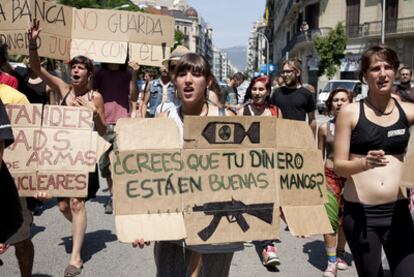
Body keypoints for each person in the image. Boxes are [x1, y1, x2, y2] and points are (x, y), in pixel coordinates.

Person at [133, 53, 240, 277]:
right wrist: (140, 222)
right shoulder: (164, 118)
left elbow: (246, 173)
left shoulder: (226, 119)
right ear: (175, 81)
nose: (188, 80)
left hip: (216, 221)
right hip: (171, 220)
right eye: (182, 74)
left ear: (208, 80)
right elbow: (148, 175)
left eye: (196, 74)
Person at [28, 19, 106, 277]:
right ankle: (79, 229)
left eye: (81, 68)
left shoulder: (95, 97)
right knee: (63, 207)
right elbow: (37, 68)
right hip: (61, 156)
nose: (75, 71)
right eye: (73, 67)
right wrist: (33, 43)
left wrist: (93, 115)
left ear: (88, 73)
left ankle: (76, 257)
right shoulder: (62, 89)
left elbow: (103, 131)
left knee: (76, 203)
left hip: (83, 156)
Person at [334, 45, 414, 277]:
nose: (382, 73)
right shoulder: (349, 112)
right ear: (364, 76)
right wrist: (363, 164)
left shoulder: (408, 111)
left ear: (396, 72)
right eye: (375, 68)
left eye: (388, 67)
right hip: (361, 215)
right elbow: (339, 165)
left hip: (398, 212)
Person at [238, 75, 280, 269]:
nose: (257, 93)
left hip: (268, 166)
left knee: (268, 205)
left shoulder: (275, 111)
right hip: (246, 166)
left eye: (261, 89)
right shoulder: (242, 111)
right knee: (249, 201)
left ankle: (268, 246)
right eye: (254, 89)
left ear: (267, 91)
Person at [93, 60, 139, 214]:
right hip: (102, 124)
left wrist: (134, 74)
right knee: (104, 164)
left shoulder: (127, 74)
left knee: (121, 164)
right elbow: (91, 92)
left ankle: (118, 197)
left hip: (122, 124)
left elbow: (133, 96)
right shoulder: (99, 73)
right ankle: (113, 194)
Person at [317, 88, 353, 277]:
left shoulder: (357, 127)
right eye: (335, 100)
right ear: (330, 104)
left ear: (350, 102)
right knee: (329, 219)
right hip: (329, 177)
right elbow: (318, 154)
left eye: (343, 100)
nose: (339, 103)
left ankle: (340, 254)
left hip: (350, 178)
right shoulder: (324, 128)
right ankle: (331, 262)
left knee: (345, 220)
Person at [270, 58, 317, 136]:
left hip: (298, 139)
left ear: (298, 73)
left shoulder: (306, 94)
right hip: (279, 138)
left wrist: (311, 142)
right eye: (283, 72)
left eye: (288, 72)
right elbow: (270, 116)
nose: (285, 75)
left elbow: (312, 120)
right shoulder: (277, 93)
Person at [141, 45, 189, 118]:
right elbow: (144, 103)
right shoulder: (152, 84)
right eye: (173, 67)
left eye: (184, 67)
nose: (178, 71)